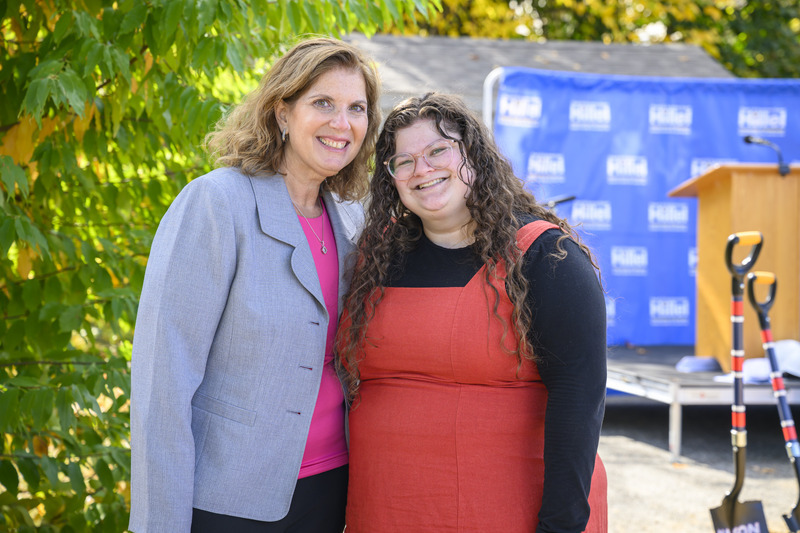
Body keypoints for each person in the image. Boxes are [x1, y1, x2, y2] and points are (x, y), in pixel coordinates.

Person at [128, 37, 380, 533]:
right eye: (322, 103)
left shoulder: (351, 220)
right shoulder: (217, 203)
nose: (341, 123)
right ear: (282, 112)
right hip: (229, 495)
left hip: (331, 490)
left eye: (356, 108)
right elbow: (163, 378)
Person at [337, 92, 608, 532]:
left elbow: (580, 395)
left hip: (506, 514)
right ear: (391, 180)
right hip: (386, 512)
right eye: (402, 162)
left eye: (438, 150)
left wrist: (561, 525)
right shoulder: (376, 257)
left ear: (474, 156)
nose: (421, 169)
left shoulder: (546, 255)